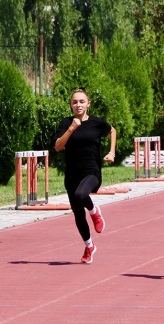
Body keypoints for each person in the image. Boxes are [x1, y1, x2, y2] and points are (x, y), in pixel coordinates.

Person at [53, 88, 117, 264]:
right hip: (72, 174)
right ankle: (89, 246)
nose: (78, 105)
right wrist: (71, 129)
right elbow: (57, 146)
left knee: (81, 195)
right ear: (71, 105)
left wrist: (112, 152)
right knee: (78, 215)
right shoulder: (66, 123)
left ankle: (95, 211)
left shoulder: (96, 123)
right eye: (75, 102)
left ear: (88, 103)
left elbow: (112, 130)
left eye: (82, 101)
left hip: (91, 171)